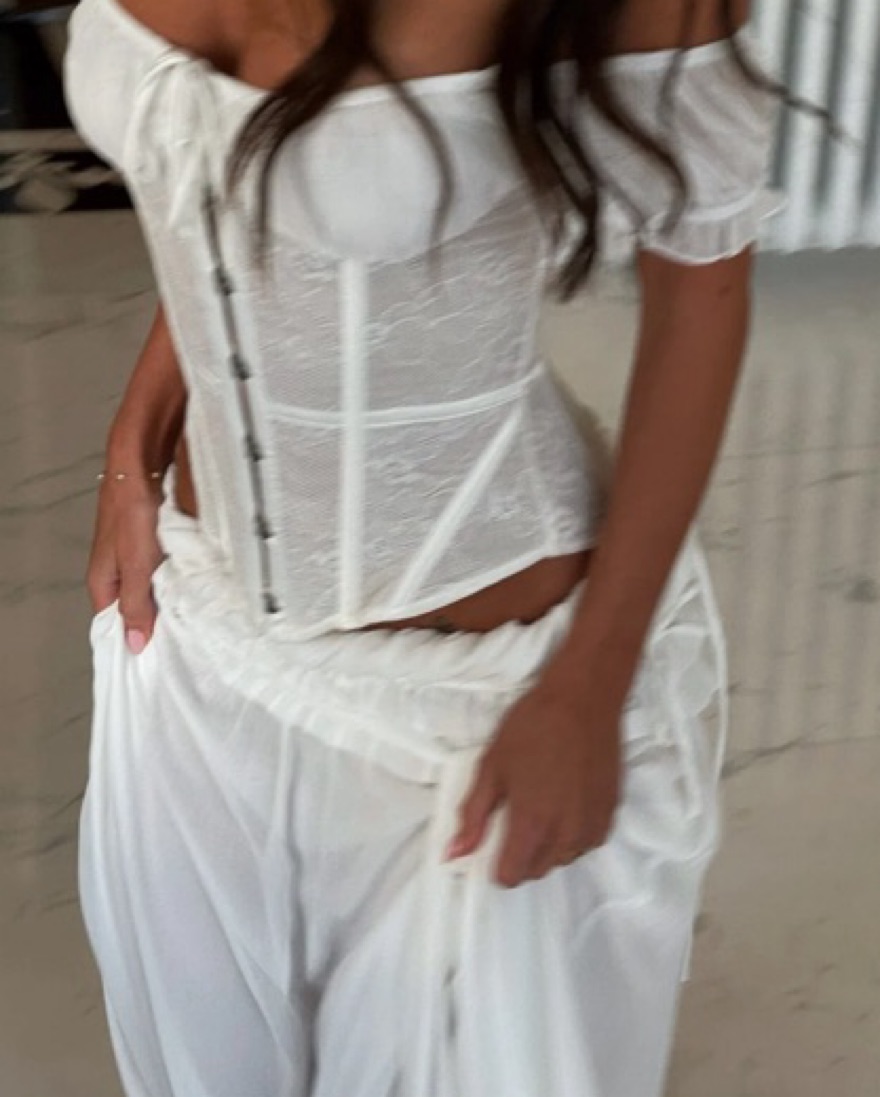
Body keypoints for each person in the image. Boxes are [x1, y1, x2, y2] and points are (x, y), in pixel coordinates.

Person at [64, 0, 778, 1094]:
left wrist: (590, 686)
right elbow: (205, 173)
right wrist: (132, 447)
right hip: (199, 646)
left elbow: (703, 296)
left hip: (473, 711)